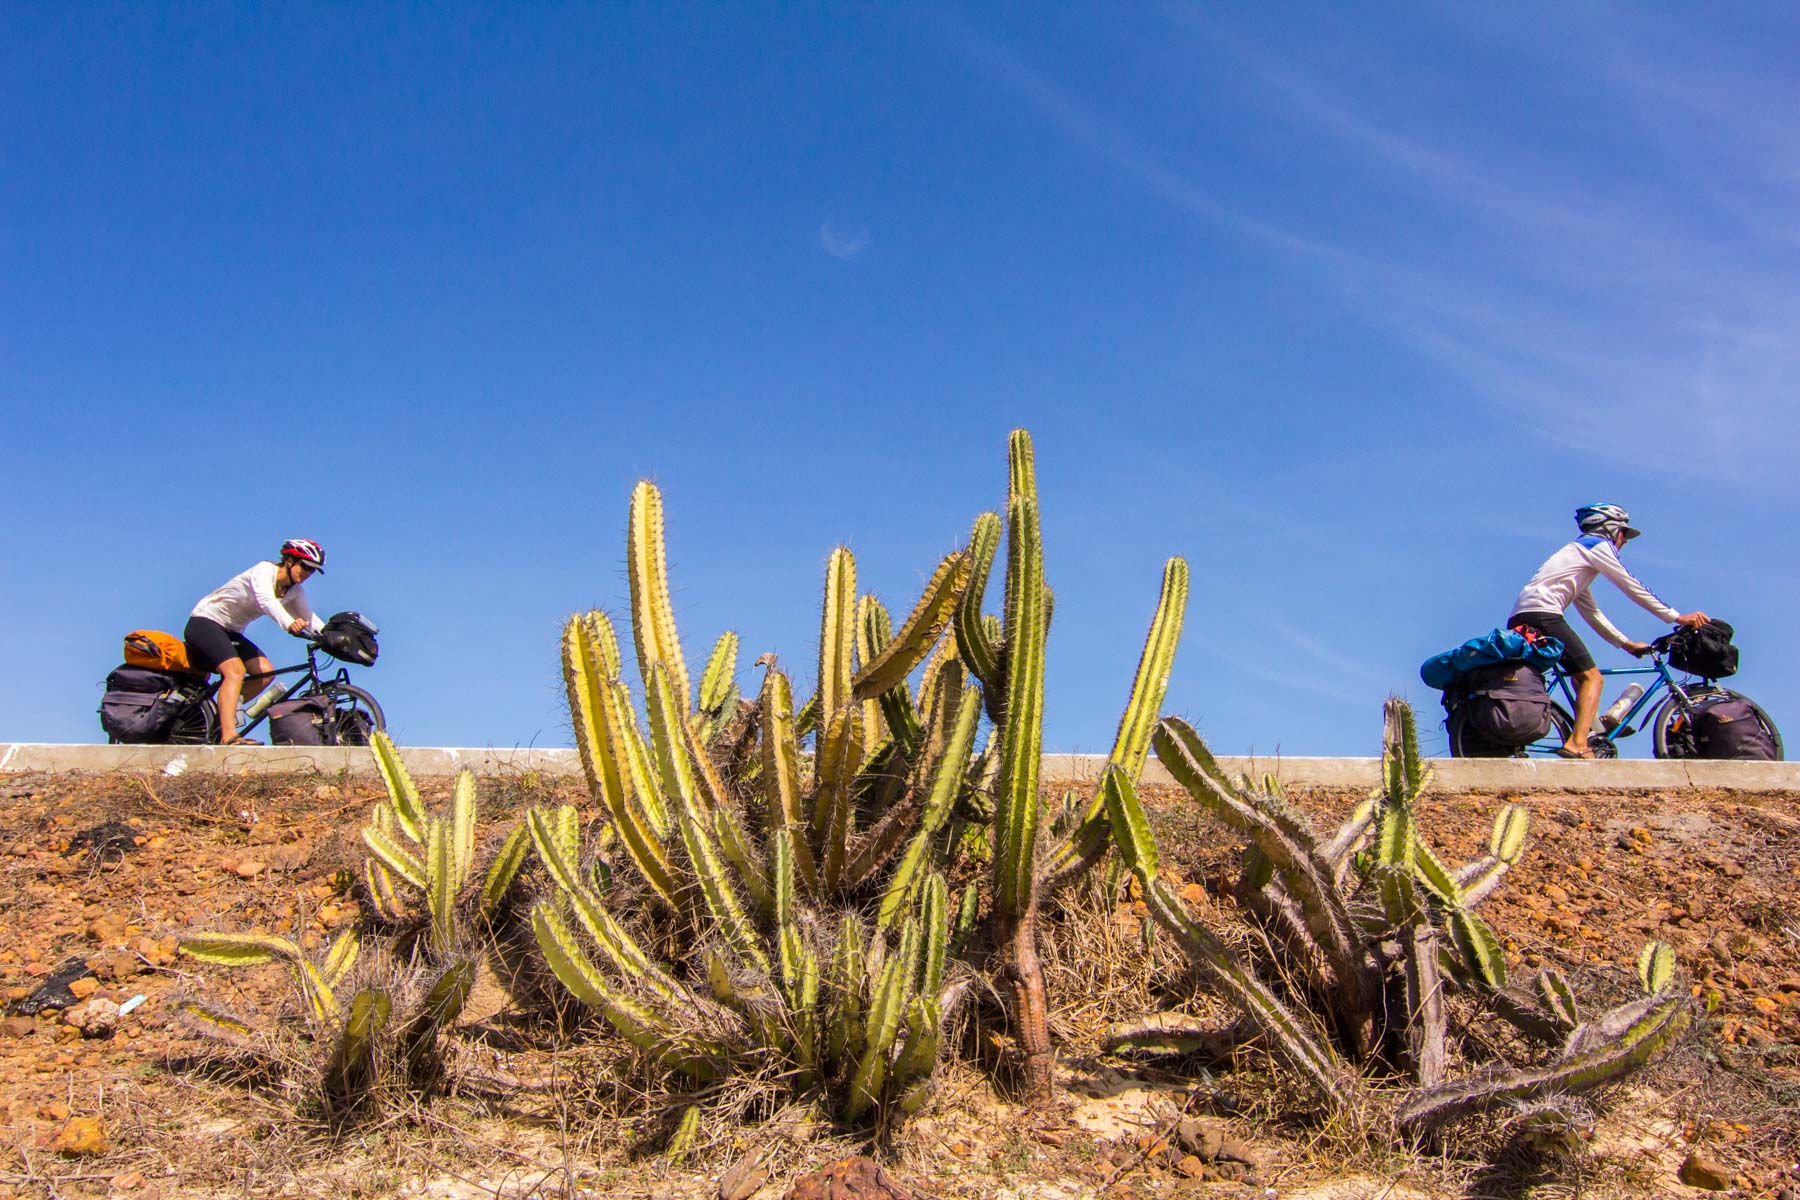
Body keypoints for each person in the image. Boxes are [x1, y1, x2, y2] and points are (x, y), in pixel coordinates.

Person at [1508, 505, 1708, 758]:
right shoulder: (1598, 547)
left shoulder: (1576, 557)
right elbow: (1630, 584)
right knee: (1594, 678)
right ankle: (1578, 744)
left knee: (1580, 676)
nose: (1624, 541)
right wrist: (1676, 616)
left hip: (1523, 617)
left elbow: (1591, 611)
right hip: (1543, 615)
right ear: (1612, 529)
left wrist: (1625, 643)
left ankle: (1587, 734)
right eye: (1624, 533)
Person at [185, 539, 328, 744]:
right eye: (305, 566)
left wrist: (331, 637)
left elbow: (310, 619)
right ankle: (228, 736)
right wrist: (289, 623)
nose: (307, 574)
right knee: (235, 672)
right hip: (205, 622)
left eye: (312, 571)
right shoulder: (264, 571)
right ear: (289, 560)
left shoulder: (295, 591)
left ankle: (222, 717)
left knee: (265, 673)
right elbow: (266, 601)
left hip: (231, 632)